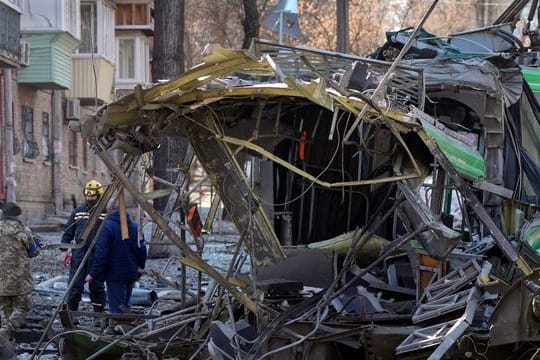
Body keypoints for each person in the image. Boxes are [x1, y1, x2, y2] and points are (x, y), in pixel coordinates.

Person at [85, 205, 147, 314]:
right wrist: (139, 271)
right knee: (125, 306)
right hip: (131, 273)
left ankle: (120, 328)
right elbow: (142, 251)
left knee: (117, 309)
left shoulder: (107, 227)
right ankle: (126, 327)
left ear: (108, 210)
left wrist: (93, 274)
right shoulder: (135, 227)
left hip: (115, 275)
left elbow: (102, 254)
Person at [61, 180, 107, 312]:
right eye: (88, 195)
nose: (89, 198)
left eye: (92, 196)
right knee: (75, 285)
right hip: (79, 253)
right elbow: (68, 232)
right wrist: (64, 250)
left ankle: (99, 315)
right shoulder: (78, 212)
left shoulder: (105, 213)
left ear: (99, 196)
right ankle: (71, 313)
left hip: (97, 253)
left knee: (97, 285)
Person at [0, 202, 40, 340]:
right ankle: (7, 330)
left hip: (1, 280)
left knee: (4, 307)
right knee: (23, 306)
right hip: (20, 279)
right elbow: (33, 252)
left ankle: (6, 339)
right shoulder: (23, 229)